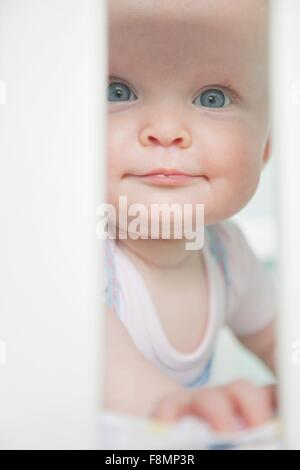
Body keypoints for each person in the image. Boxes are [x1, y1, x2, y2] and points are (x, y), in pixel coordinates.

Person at [103, 0, 277, 432]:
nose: (165, 129)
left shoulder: (226, 254)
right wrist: (172, 404)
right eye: (116, 91)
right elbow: (99, 356)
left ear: (266, 147)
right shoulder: (72, 254)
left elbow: (279, 339)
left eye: (212, 98)